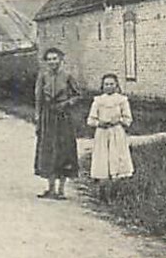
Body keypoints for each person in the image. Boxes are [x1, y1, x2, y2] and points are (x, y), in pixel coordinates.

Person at [33, 47, 83, 199]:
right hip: (47, 117)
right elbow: (38, 98)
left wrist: (67, 104)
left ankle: (61, 190)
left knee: (63, 151)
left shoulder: (67, 76)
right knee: (48, 150)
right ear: (46, 62)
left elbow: (78, 95)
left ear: (61, 60)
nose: (52, 62)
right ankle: (50, 188)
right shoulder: (43, 77)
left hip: (63, 117)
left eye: (55, 59)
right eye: (49, 59)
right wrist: (37, 117)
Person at [86, 73, 134, 190]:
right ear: (102, 86)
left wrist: (118, 121)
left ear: (116, 85)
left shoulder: (122, 100)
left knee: (117, 157)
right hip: (102, 133)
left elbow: (128, 119)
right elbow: (90, 120)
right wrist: (99, 123)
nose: (109, 86)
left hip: (117, 132)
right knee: (102, 158)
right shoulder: (98, 101)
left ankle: (117, 187)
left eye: (111, 84)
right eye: (106, 84)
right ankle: (102, 187)